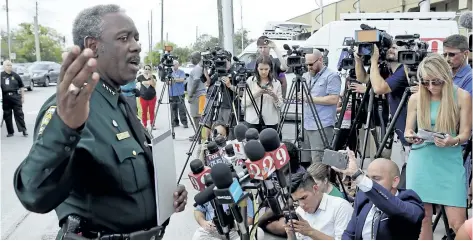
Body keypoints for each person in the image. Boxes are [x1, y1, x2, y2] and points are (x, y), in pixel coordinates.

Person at [13, 5, 187, 239]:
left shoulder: (119, 101)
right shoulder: (74, 107)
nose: (136, 45)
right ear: (93, 47)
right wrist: (65, 127)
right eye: (124, 38)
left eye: (136, 37)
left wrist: (165, 195)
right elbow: (34, 194)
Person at [404, 54, 472, 239]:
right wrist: (411, 136)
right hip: (421, 161)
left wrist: (453, 140)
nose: (431, 87)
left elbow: (466, 133)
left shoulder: (462, 96)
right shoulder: (417, 98)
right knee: (423, 218)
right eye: (426, 83)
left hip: (449, 160)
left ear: (446, 77)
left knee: (458, 224)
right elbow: (407, 131)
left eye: (436, 82)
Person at [332, 149, 425, 240]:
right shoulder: (363, 198)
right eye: (368, 178)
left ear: (395, 181)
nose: (370, 183)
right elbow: (350, 234)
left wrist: (358, 176)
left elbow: (396, 209)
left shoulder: (410, 200)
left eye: (376, 178)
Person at [355, 43, 411, 188]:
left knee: (408, 167)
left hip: (408, 128)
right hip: (398, 127)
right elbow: (365, 79)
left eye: (396, 47)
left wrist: (374, 61)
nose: (391, 49)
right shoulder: (389, 70)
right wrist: (358, 60)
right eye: (390, 47)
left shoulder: (403, 71)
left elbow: (379, 88)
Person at [284, 171, 353, 240]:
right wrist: (291, 235)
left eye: (303, 198)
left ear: (315, 189)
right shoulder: (299, 211)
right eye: (296, 201)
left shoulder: (340, 207)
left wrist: (311, 232)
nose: (301, 204)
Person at [301, 52, 341, 163]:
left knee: (318, 163)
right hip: (306, 124)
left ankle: (321, 181)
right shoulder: (306, 76)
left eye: (311, 64)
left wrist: (310, 99)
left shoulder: (332, 76)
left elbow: (334, 99)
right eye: (307, 65)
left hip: (322, 125)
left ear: (320, 59)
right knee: (305, 161)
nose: (309, 67)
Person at [242, 55, 283, 133]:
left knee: (270, 144)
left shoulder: (276, 83)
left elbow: (280, 106)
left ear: (270, 68)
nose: (263, 72)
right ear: (257, 68)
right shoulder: (250, 81)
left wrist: (274, 97)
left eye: (266, 69)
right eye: (261, 69)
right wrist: (256, 94)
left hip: (270, 122)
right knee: (252, 144)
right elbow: (244, 103)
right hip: (252, 121)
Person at [1, 60, 27, 137]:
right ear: (4, 66)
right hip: (5, 97)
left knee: (19, 114)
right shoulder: (1, 75)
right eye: (8, 65)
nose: (9, 67)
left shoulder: (15, 75)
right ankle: (10, 132)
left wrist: (22, 97)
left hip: (15, 97)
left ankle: (23, 130)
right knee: (7, 115)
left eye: (10, 65)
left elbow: (22, 87)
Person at [187, 52, 207, 141]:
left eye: (192, 58)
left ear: (196, 58)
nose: (191, 60)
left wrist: (190, 94)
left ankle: (199, 136)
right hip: (198, 95)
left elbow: (196, 82)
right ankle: (197, 133)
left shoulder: (197, 68)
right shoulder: (199, 68)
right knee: (196, 116)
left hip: (197, 95)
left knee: (197, 117)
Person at [137, 64, 157, 129]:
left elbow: (153, 85)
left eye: (148, 69)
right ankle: (144, 125)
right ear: (144, 69)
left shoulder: (153, 76)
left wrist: (150, 78)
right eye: (146, 69)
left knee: (151, 111)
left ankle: (152, 124)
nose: (147, 70)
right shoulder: (140, 77)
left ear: (150, 70)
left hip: (152, 97)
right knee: (144, 112)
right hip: (143, 97)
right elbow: (133, 82)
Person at [169, 60, 188, 128]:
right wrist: (176, 79)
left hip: (180, 93)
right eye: (173, 65)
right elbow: (168, 82)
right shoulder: (170, 73)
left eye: (175, 64)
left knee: (182, 109)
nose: (174, 66)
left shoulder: (181, 72)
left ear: (178, 65)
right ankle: (175, 122)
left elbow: (182, 79)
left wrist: (173, 80)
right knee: (173, 109)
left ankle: (184, 122)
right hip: (172, 93)